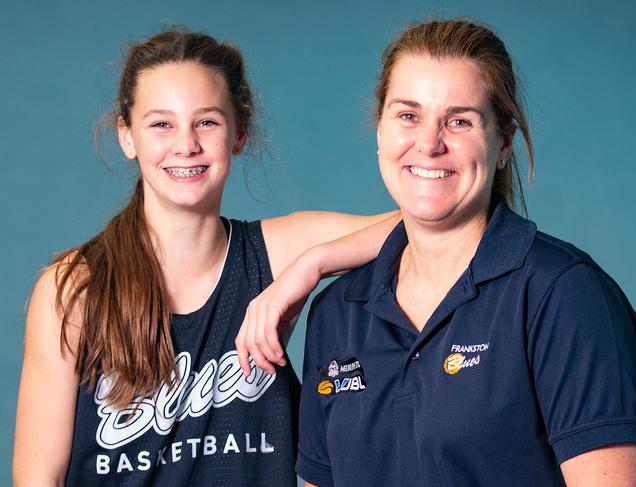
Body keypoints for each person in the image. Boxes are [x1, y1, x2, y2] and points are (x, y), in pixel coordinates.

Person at [13, 30, 399, 486]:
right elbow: (38, 478)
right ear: (127, 136)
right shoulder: (74, 289)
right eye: (161, 124)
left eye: (207, 122)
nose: (185, 145)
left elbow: (423, 224)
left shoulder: (271, 255)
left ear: (239, 134)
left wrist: (313, 264)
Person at [295, 19, 636, 486]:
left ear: (503, 142)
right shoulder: (337, 313)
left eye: (459, 120)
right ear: (379, 131)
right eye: (408, 115)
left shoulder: (564, 294)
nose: (428, 143)